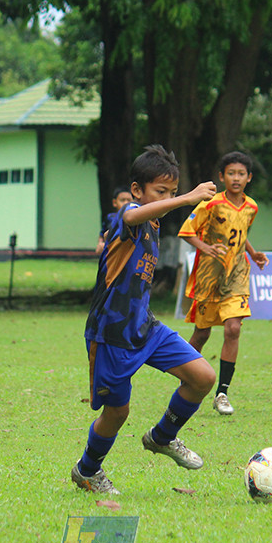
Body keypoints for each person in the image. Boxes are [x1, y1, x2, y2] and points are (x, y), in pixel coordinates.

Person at [71, 144, 219, 495]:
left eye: (170, 191)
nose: (167, 197)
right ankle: (87, 470)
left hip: (145, 327)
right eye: (160, 191)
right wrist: (185, 199)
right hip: (112, 334)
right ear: (137, 191)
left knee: (202, 377)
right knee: (117, 413)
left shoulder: (152, 225)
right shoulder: (128, 217)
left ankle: (163, 437)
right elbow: (129, 216)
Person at [178, 151, 269, 415]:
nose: (236, 178)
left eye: (241, 174)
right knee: (202, 333)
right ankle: (186, 376)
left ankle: (222, 393)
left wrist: (252, 253)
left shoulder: (251, 207)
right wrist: (205, 248)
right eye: (231, 173)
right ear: (222, 176)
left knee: (233, 328)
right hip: (209, 276)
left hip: (237, 274)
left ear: (249, 178)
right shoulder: (211, 203)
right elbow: (186, 231)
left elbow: (240, 234)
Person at [95, 186, 133, 254]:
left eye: (129, 200)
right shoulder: (110, 218)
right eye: (122, 200)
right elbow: (102, 234)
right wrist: (100, 244)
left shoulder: (136, 219)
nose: (125, 203)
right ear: (114, 202)